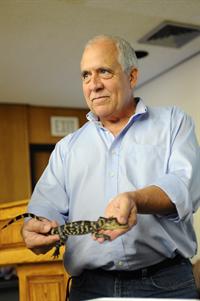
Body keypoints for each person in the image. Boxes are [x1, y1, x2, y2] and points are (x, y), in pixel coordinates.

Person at [22, 35, 200, 300]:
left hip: (166, 284)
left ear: (132, 76)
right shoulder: (66, 148)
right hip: (89, 288)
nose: (93, 85)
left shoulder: (174, 123)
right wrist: (33, 228)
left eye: (103, 72)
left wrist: (135, 199)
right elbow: (45, 209)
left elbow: (183, 187)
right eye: (85, 75)